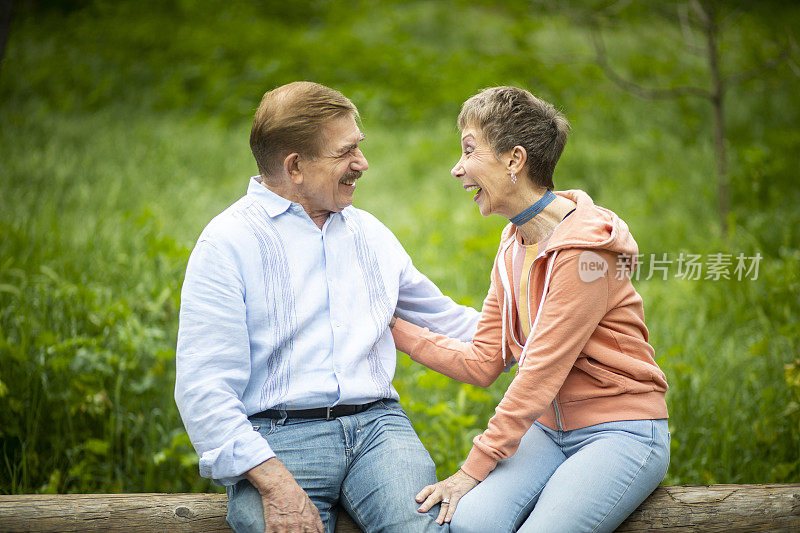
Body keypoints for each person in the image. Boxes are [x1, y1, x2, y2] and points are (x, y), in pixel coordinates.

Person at [174, 81, 479, 533]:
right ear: (294, 166)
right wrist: (274, 484)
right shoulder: (226, 243)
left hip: (379, 432)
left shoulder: (369, 233)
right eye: (346, 152)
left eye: (360, 147)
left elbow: (450, 321)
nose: (362, 163)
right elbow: (204, 388)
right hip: (277, 438)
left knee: (424, 528)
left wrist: (560, 332)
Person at [390, 86, 670, 533]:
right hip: (547, 431)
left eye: (468, 150)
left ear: (514, 159)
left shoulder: (585, 253)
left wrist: (472, 469)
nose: (456, 168)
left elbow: (538, 372)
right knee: (469, 525)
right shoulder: (514, 241)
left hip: (620, 430)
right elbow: (484, 361)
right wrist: (392, 329)